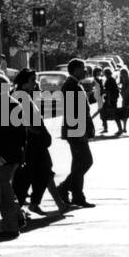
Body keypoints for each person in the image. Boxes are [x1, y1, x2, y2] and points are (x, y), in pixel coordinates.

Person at [12, 68, 68, 216]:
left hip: (38, 143)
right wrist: (31, 130)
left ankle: (39, 203)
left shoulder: (26, 96)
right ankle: (22, 206)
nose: (35, 82)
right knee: (29, 176)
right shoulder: (19, 97)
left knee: (45, 172)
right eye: (32, 80)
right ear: (24, 82)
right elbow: (16, 120)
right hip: (30, 144)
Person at [0, 73, 26, 238]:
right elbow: (23, 134)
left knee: (4, 193)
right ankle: (17, 216)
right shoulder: (16, 104)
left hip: (2, 155)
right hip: (15, 154)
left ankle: (10, 226)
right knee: (8, 188)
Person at [56, 59, 96, 209]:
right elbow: (74, 111)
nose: (85, 70)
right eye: (82, 68)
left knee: (78, 163)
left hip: (76, 130)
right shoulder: (71, 86)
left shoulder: (74, 85)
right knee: (86, 161)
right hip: (75, 130)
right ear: (75, 70)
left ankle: (78, 196)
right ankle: (63, 188)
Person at [99, 69, 123, 135]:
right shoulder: (111, 80)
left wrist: (109, 101)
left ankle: (116, 129)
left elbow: (109, 92)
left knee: (109, 113)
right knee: (109, 113)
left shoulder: (109, 81)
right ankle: (107, 128)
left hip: (110, 100)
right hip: (112, 99)